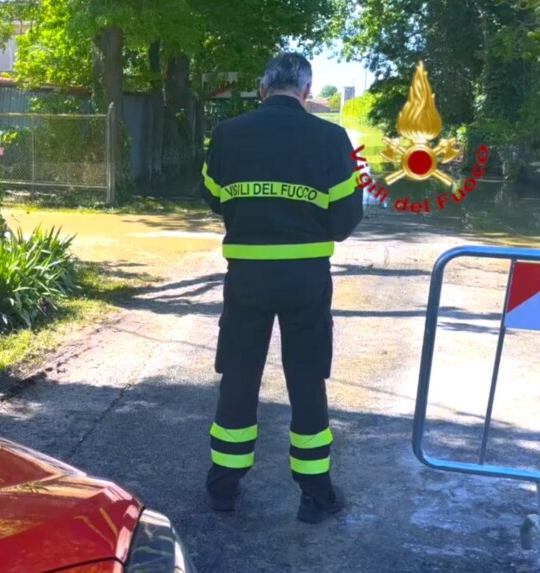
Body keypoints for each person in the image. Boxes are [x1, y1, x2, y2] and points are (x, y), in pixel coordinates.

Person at [198, 52, 364, 522]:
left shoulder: (229, 134)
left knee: (239, 375)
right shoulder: (332, 138)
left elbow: (213, 196)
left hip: (246, 278)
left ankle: (223, 488)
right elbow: (346, 219)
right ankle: (315, 497)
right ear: (307, 92)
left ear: (262, 87)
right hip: (306, 281)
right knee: (307, 379)